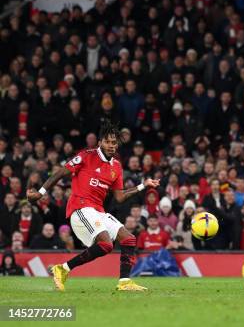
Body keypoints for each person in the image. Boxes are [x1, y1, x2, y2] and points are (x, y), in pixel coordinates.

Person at [27, 122, 160, 291]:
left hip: (98, 211)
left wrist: (143, 185)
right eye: (108, 142)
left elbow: (119, 197)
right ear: (100, 143)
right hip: (80, 208)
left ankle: (124, 282)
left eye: (114, 142)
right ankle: (63, 269)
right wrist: (40, 193)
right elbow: (61, 172)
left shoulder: (116, 166)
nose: (111, 145)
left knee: (129, 239)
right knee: (106, 244)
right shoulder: (86, 156)